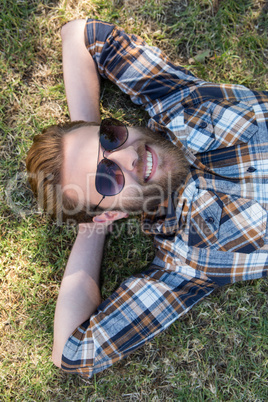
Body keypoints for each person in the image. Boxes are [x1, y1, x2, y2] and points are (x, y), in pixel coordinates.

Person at [26, 18, 268, 378]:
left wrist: (86, 132)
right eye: (107, 180)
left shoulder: (175, 101)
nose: (129, 156)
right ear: (108, 214)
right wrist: (92, 226)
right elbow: (70, 351)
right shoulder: (183, 263)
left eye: (110, 137)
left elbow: (79, 35)